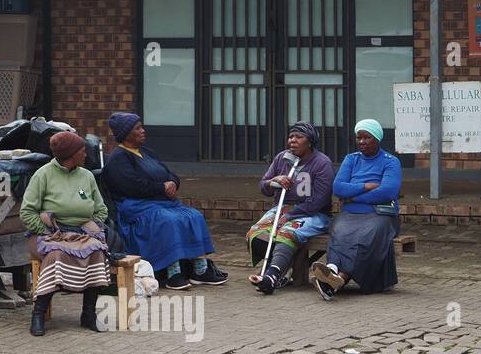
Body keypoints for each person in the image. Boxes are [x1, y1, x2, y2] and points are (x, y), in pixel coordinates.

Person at [103, 112, 226, 290]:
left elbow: (170, 174)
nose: (143, 131)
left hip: (162, 202)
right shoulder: (118, 159)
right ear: (126, 133)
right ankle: (173, 273)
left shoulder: (146, 152)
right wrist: (162, 188)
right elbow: (132, 186)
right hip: (136, 207)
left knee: (193, 215)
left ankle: (200, 270)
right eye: (138, 128)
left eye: (141, 127)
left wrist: (173, 184)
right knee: (167, 220)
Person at [19, 131, 112, 336]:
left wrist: (92, 227)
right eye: (82, 151)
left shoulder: (86, 176)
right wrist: (48, 231)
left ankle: (88, 314)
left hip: (81, 235)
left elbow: (101, 209)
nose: (86, 154)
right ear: (70, 155)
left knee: (96, 252)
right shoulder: (43, 174)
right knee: (56, 256)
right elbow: (26, 212)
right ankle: (38, 313)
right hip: (47, 235)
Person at [310, 119, 402, 301]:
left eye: (366, 138)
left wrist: (353, 195)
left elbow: (388, 191)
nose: (361, 142)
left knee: (365, 237)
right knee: (339, 231)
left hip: (381, 214)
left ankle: (337, 278)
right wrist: (367, 186)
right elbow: (338, 188)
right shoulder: (351, 159)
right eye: (359, 138)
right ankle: (333, 270)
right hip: (351, 213)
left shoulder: (391, 161)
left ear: (377, 138)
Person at [247, 122, 335, 294]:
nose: (292, 141)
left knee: (286, 233)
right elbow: (263, 187)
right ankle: (280, 270)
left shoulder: (322, 163)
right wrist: (275, 181)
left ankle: (271, 276)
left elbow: (320, 200)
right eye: (290, 137)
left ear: (309, 142)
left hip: (313, 213)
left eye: (298, 137)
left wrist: (291, 215)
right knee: (256, 233)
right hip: (282, 208)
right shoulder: (282, 158)